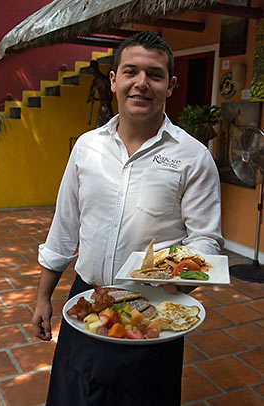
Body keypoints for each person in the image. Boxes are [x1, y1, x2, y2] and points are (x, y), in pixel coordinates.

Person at [31, 31, 223, 406]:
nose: (141, 83)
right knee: (73, 395)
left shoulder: (193, 157)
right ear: (114, 79)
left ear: (171, 85)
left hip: (149, 307)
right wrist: (42, 297)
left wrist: (179, 279)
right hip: (87, 296)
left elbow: (206, 240)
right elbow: (64, 227)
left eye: (154, 74)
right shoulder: (87, 147)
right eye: (131, 71)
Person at [86, 60, 114, 128]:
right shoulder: (95, 81)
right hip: (101, 110)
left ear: (96, 69)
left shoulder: (106, 80)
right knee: (98, 130)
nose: (92, 73)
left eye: (93, 71)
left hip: (108, 110)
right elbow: (88, 99)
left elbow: (110, 99)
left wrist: (97, 99)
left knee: (108, 130)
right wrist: (91, 97)